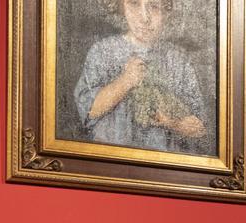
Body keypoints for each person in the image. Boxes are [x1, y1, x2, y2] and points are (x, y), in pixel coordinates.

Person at [74, 0, 208, 154]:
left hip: (163, 161)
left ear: (166, 11)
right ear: (121, 7)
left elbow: (200, 129)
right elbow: (88, 111)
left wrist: (169, 121)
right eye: (134, 3)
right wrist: (125, 81)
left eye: (154, 6)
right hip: (112, 157)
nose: (145, 17)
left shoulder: (178, 59)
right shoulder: (103, 51)